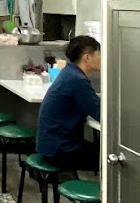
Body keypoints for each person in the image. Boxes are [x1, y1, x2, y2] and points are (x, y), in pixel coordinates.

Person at [35, 36, 102, 171]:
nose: (102, 59)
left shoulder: (69, 72)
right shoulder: (78, 80)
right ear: (87, 57)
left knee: (98, 150)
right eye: (99, 54)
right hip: (60, 150)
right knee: (114, 159)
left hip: (49, 145)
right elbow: (101, 114)